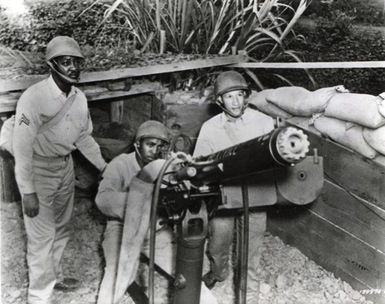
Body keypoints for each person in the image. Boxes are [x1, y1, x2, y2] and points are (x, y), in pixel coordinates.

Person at [13, 36, 107, 304]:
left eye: (77, 62)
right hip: (38, 170)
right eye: (66, 62)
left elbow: (83, 138)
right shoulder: (34, 98)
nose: (73, 68)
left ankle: (55, 275)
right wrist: (28, 191)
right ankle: (38, 297)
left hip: (64, 169)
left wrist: (104, 167)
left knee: (62, 228)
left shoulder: (79, 98)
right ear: (51, 65)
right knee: (41, 236)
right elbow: (21, 147)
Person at [95, 120, 218, 304]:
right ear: (137, 145)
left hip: (156, 231)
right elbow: (102, 199)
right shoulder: (120, 164)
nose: (155, 151)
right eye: (150, 145)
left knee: (187, 273)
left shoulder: (167, 167)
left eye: (160, 146)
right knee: (116, 275)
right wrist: (139, 202)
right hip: (122, 229)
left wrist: (186, 173)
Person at [193, 71, 275, 301]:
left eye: (240, 95)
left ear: (246, 96)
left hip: (256, 195)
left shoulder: (264, 122)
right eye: (229, 97)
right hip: (224, 196)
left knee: (251, 253)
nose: (236, 102)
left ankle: (248, 297)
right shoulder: (210, 128)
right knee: (218, 245)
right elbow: (200, 165)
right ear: (220, 101)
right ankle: (219, 273)